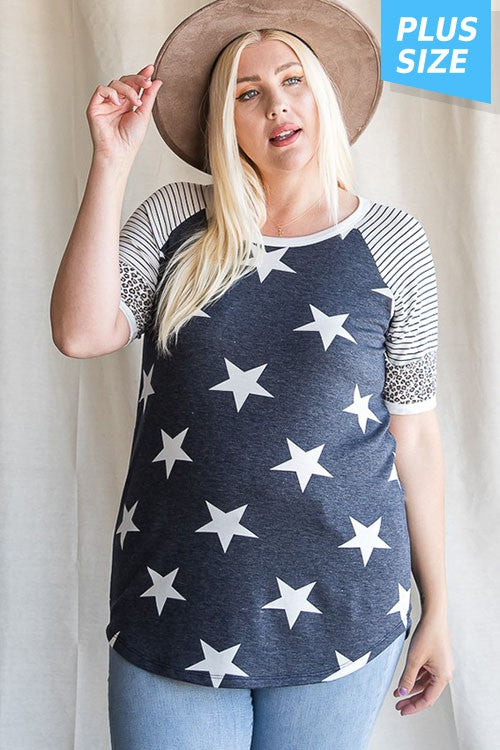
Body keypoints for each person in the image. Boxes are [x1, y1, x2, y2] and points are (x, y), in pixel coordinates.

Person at [50, 2, 454, 748]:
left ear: (322, 95)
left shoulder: (392, 241)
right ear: (223, 120)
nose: (277, 105)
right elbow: (80, 332)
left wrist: (440, 607)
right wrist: (111, 160)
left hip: (345, 607)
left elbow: (416, 437)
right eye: (248, 92)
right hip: (177, 602)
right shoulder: (176, 220)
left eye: (293, 80)